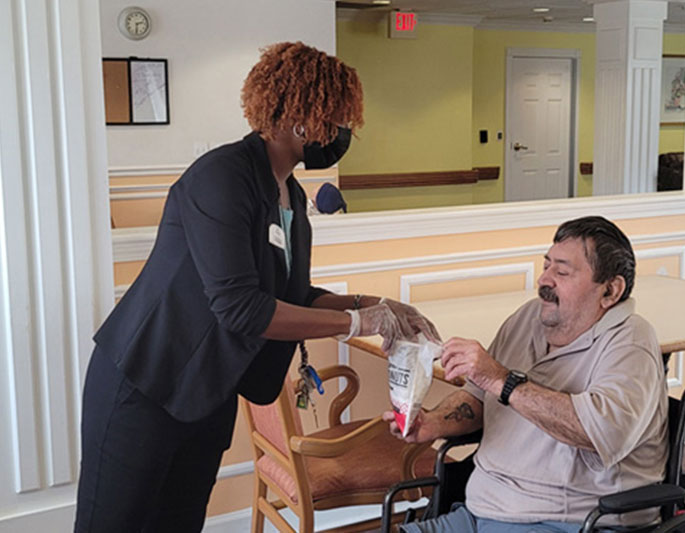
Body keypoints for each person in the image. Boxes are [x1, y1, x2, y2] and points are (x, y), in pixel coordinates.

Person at [75, 42, 436, 533]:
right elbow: (241, 308)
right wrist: (357, 323)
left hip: (208, 389)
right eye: (336, 118)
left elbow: (291, 293)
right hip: (146, 382)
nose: (341, 133)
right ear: (300, 116)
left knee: (180, 522)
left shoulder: (291, 193)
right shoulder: (221, 178)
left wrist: (376, 304)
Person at [384, 216, 668, 533]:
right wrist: (433, 422)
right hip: (479, 511)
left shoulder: (630, 342)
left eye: (561, 272)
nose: (544, 280)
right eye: (546, 266)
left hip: (567, 522)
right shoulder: (528, 318)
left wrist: (502, 381)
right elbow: (478, 397)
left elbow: (599, 433)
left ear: (610, 291)